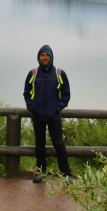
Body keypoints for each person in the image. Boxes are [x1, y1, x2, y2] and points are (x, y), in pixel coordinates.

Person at [23, 44, 74, 184]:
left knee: (59, 144)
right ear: (39, 57)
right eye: (42, 55)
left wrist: (58, 108)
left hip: (54, 116)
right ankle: (41, 172)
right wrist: (31, 107)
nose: (45, 58)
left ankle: (66, 174)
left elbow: (66, 94)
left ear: (51, 57)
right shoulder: (33, 73)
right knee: (40, 145)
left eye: (47, 55)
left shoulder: (59, 73)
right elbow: (26, 93)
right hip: (38, 115)